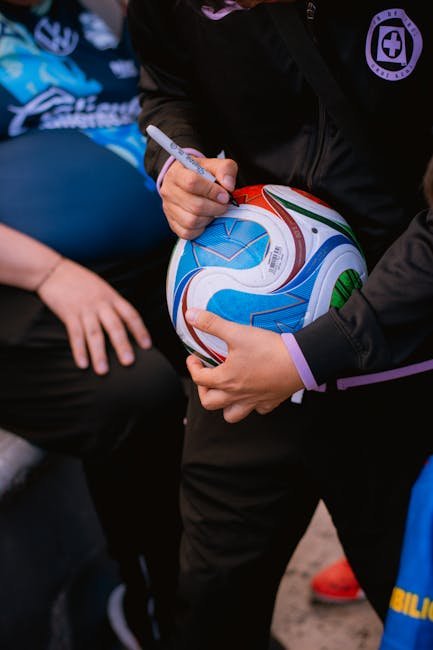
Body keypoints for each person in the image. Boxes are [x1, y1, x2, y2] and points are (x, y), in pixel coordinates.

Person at [127, 1, 433, 648]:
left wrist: (312, 354)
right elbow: (166, 86)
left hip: (405, 353)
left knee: (414, 611)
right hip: (239, 352)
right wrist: (177, 164)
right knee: (212, 604)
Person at [0, 1, 188, 648]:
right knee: (130, 387)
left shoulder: (89, 15)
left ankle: (207, 600)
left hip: (141, 256)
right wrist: (49, 272)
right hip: (23, 277)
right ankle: (152, 614)